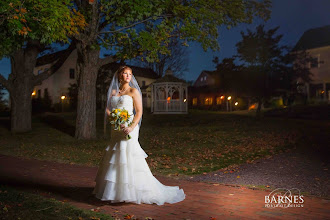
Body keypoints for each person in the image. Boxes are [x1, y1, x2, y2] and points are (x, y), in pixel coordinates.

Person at [92, 65, 186, 205]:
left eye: (130, 73)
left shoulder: (133, 91)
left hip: (129, 128)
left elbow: (139, 112)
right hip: (117, 128)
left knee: (128, 155)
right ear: (119, 76)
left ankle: (133, 190)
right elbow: (108, 108)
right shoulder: (113, 92)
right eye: (125, 73)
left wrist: (130, 127)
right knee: (115, 156)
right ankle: (116, 191)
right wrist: (113, 118)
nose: (128, 76)